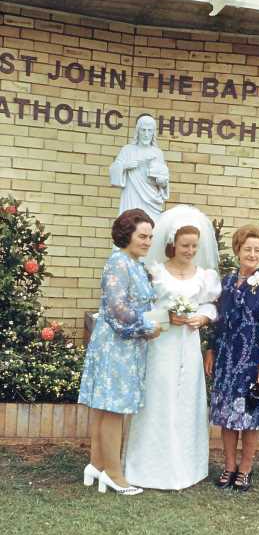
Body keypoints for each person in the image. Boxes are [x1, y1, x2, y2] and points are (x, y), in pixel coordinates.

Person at [123, 205, 221, 490]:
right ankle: (149, 467)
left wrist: (203, 317)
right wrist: (166, 316)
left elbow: (209, 305)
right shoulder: (156, 272)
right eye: (185, 245)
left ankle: (186, 467)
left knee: (186, 401)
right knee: (158, 398)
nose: (190, 250)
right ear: (173, 244)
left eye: (194, 246)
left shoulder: (204, 276)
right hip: (161, 344)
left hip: (188, 344)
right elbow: (144, 308)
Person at [78, 209, 161, 495]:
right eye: (142, 236)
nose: (147, 241)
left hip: (125, 345)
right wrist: (146, 327)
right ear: (127, 235)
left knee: (106, 407)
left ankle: (96, 464)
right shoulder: (118, 262)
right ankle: (114, 474)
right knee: (113, 408)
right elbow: (117, 308)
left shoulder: (134, 263)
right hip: (115, 345)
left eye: (150, 237)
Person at [204, 224, 259, 492]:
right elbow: (217, 319)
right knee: (227, 416)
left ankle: (245, 470)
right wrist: (211, 348)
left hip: (254, 361)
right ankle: (229, 467)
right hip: (227, 359)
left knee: (250, 416)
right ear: (237, 250)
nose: (252, 254)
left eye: (257, 250)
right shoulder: (226, 282)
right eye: (248, 249)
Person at [109, 114, 169, 221]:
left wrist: (162, 182)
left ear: (153, 133)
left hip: (151, 198)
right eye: (143, 130)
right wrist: (125, 166)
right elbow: (113, 170)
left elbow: (163, 179)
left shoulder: (157, 153)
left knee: (150, 225)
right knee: (131, 223)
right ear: (138, 131)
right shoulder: (128, 150)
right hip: (132, 194)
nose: (146, 134)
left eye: (149, 131)